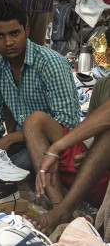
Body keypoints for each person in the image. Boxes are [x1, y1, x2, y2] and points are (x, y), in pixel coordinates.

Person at [0, 1, 80, 171]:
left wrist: (10, 139)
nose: (8, 42)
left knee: (11, 165)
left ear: (27, 31)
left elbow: (67, 122)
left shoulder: (51, 63)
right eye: (0, 36)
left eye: (15, 33)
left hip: (56, 144)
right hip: (21, 141)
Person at [27, 28, 110, 236]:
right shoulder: (102, 85)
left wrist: (57, 148)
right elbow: (92, 137)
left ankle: (63, 212)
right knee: (35, 121)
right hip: (94, 173)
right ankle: (58, 205)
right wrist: (90, 154)